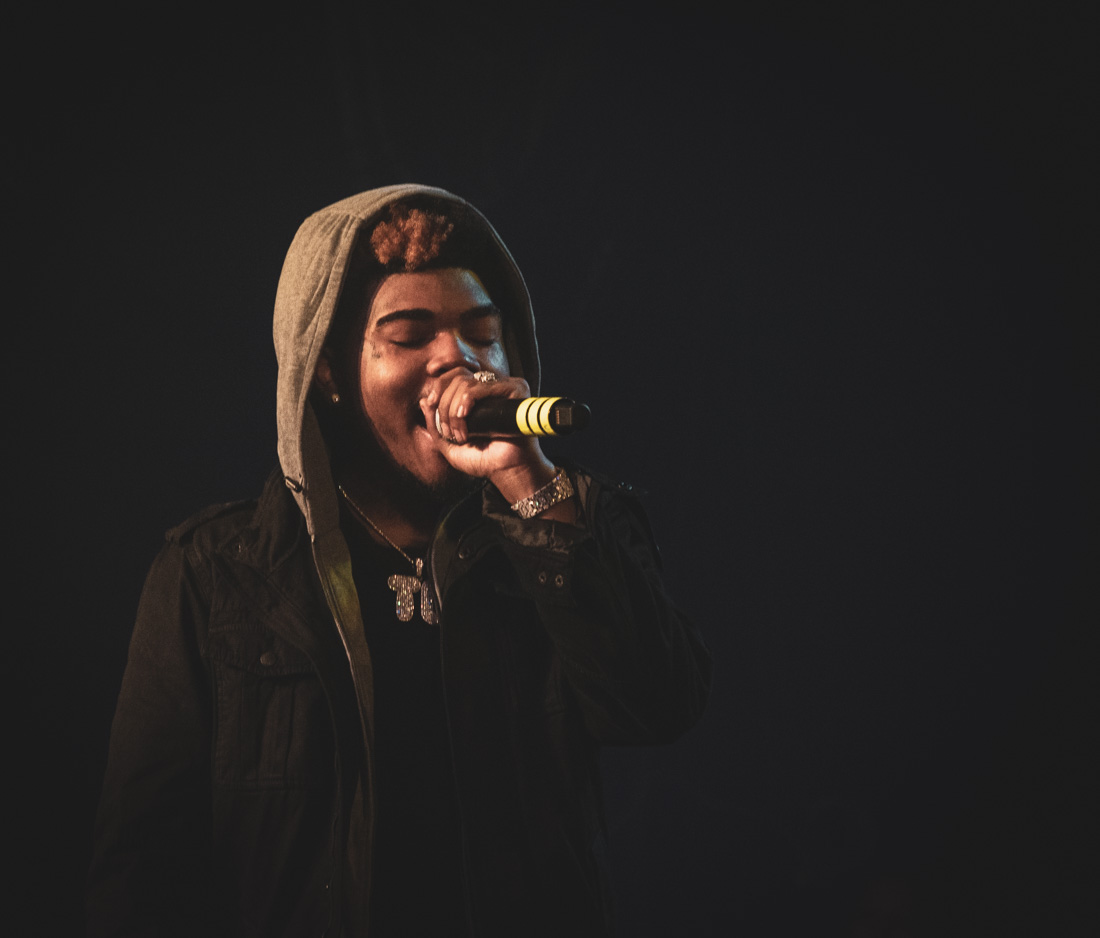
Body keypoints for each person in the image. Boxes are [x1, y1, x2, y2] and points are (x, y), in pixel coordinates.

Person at [87, 184, 712, 937]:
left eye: (483, 333)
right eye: (410, 336)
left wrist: (527, 482)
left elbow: (657, 705)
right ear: (326, 371)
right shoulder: (217, 572)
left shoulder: (567, 523)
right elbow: (143, 869)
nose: (459, 359)